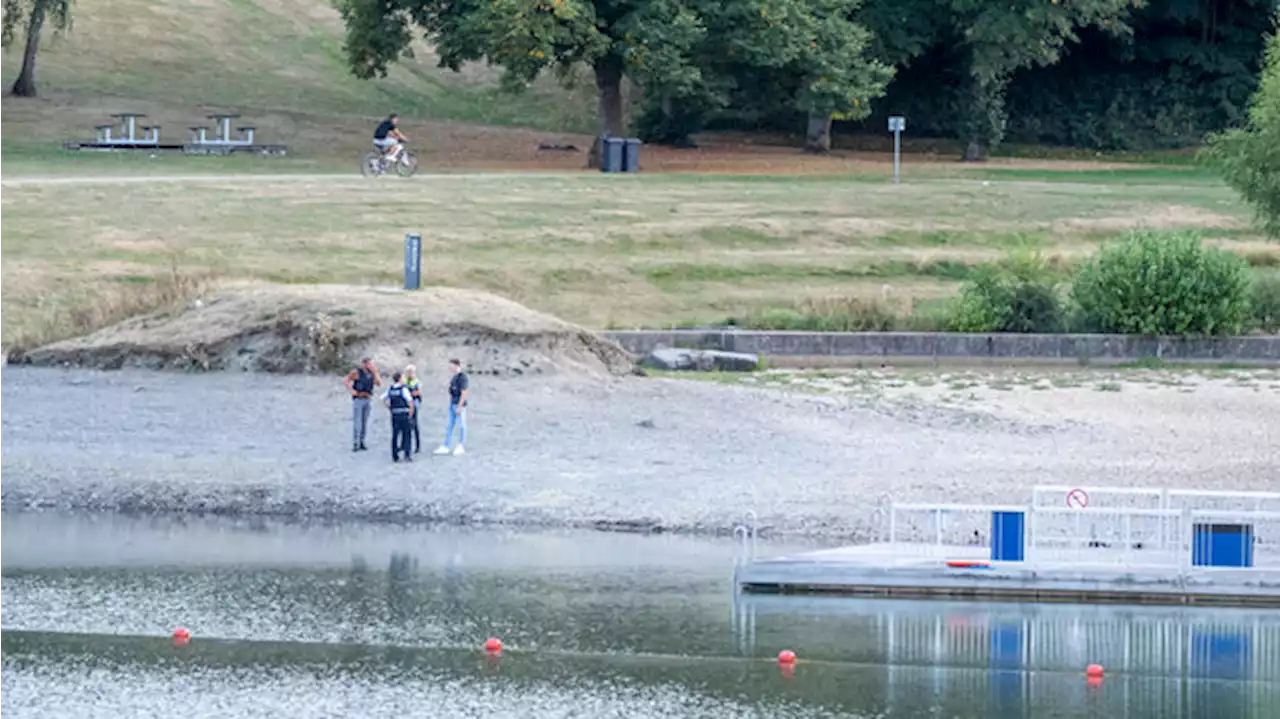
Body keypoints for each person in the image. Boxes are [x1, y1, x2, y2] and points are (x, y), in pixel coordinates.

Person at [344, 357, 382, 452]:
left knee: (364, 421)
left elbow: (378, 383)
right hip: (358, 398)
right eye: (367, 363)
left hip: (367, 398)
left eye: (370, 363)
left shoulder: (371, 373)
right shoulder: (357, 372)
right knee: (358, 421)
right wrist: (352, 390)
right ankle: (356, 442)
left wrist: (375, 372)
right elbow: (346, 380)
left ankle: (362, 441)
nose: (369, 365)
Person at [433, 358, 469, 456]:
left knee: (461, 425)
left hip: (459, 404)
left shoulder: (463, 377)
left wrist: (459, 406)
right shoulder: (454, 377)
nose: (449, 368)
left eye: (451, 366)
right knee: (449, 425)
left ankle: (461, 445)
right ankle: (446, 445)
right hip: (452, 404)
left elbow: (464, 392)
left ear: (456, 366)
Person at [382, 372, 416, 463]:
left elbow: (383, 398)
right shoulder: (403, 389)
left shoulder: (391, 389)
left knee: (395, 435)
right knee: (407, 434)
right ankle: (407, 455)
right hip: (404, 414)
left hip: (395, 414)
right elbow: (410, 401)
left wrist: (389, 407)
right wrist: (411, 413)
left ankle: (395, 456)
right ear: (400, 379)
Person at [404, 364, 423, 456]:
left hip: (414, 404)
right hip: (406, 404)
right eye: (408, 372)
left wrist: (409, 393)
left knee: (415, 425)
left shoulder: (416, 381)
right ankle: (404, 445)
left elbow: (418, 392)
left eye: (411, 372)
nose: (409, 374)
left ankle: (417, 445)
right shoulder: (404, 380)